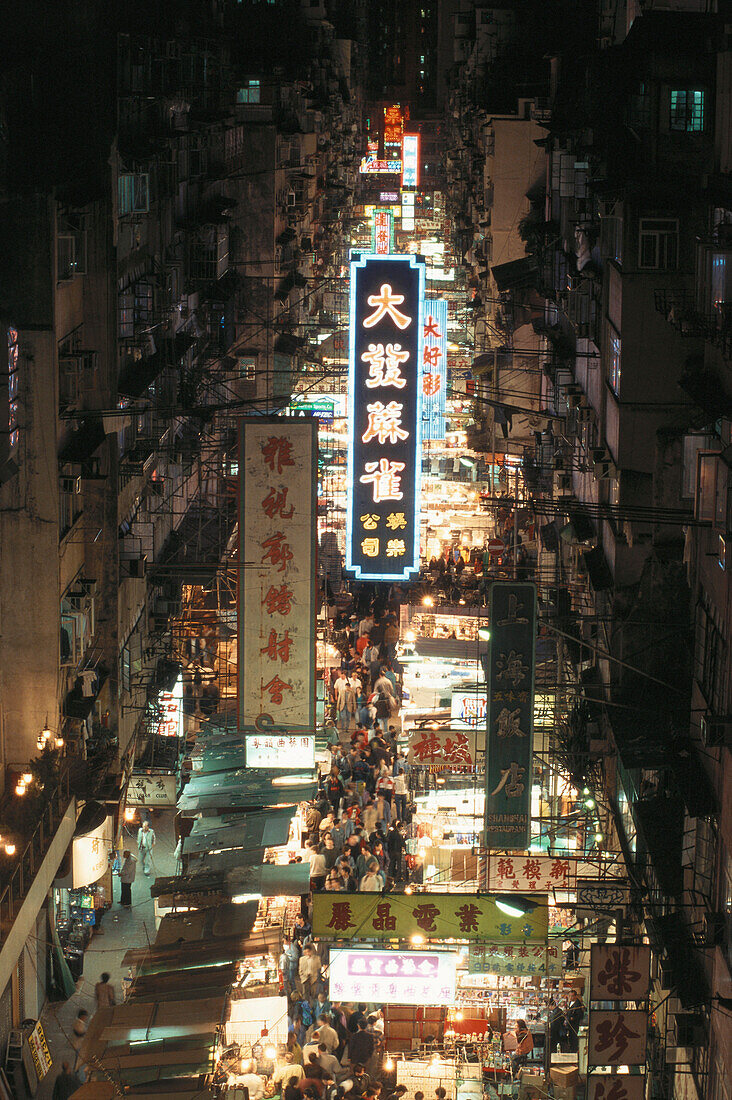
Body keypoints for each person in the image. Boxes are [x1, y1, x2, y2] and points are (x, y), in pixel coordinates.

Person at [71, 1009, 89, 1074]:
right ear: (82, 1016)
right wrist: (86, 1033)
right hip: (78, 1044)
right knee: (78, 1060)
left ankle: (76, 1071)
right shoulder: (78, 1023)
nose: (86, 1018)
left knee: (78, 1060)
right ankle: (76, 1072)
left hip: (79, 1044)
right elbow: (79, 1033)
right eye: (85, 1016)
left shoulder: (79, 1022)